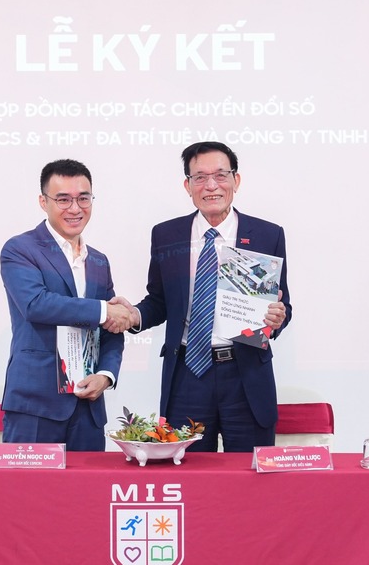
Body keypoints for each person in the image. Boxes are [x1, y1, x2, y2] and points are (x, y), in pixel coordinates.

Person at [111, 142, 291, 452]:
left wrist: (278, 318)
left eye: (220, 175)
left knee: (250, 473)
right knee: (188, 472)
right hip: (188, 374)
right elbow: (159, 301)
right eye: (200, 177)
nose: (211, 185)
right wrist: (134, 316)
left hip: (245, 372)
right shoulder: (167, 235)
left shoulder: (267, 234)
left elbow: (282, 304)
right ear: (188, 185)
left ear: (236, 180)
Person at [0, 159, 129, 451]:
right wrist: (104, 310)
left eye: (83, 198)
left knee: (89, 483)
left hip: (88, 407)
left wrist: (106, 376)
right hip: (36, 405)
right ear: (43, 202)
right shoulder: (20, 249)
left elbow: (111, 329)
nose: (75, 208)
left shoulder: (99, 261)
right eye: (63, 199)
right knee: (27, 483)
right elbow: (36, 304)